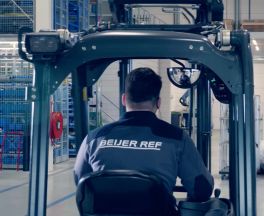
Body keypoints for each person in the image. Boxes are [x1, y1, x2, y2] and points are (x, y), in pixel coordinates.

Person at [74, 67, 214, 202]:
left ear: (123, 99)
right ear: (158, 102)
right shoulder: (176, 138)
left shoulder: (94, 138)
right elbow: (202, 189)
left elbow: (80, 180)